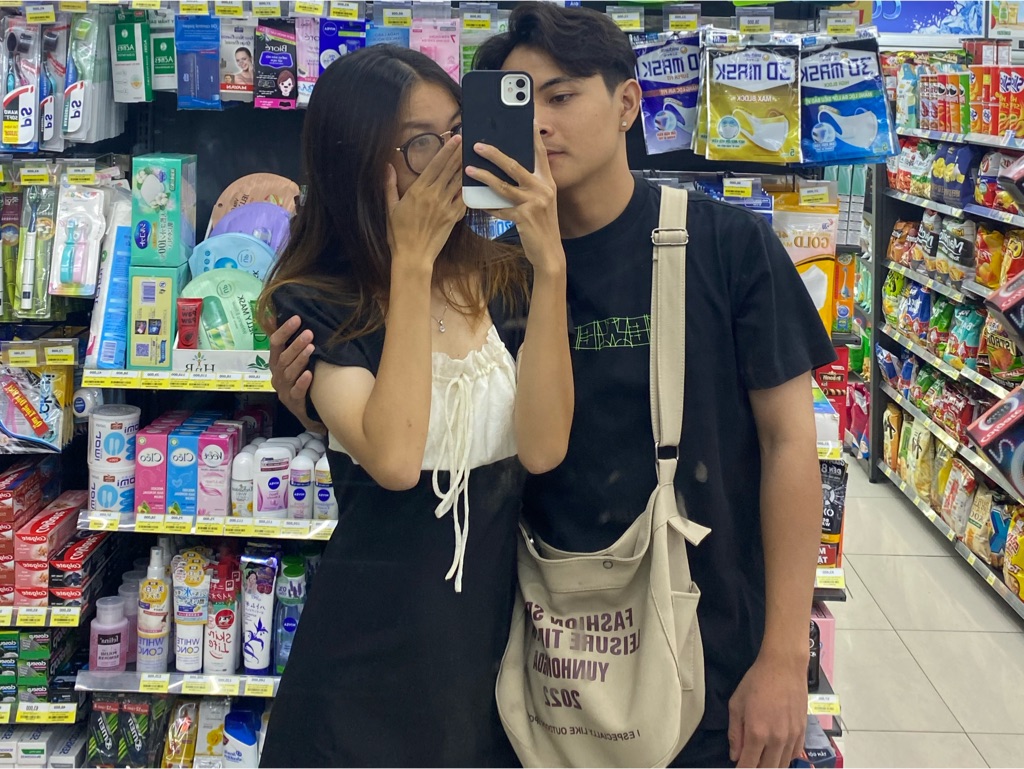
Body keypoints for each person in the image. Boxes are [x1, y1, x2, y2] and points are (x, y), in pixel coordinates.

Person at [270, 5, 835, 768]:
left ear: (629, 104)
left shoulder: (725, 247)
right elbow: (414, 423)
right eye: (515, 104)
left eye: (561, 96)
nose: (537, 125)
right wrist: (321, 408)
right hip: (525, 673)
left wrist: (785, 653)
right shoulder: (491, 271)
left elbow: (791, 442)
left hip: (701, 650)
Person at [258, 44, 572, 768]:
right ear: (363, 163)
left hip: (485, 669)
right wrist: (411, 262)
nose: (452, 157)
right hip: (360, 678)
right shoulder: (315, 302)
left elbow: (544, 446)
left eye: (459, 130)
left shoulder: (507, 277)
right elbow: (396, 458)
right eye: (424, 142)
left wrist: (550, 262)